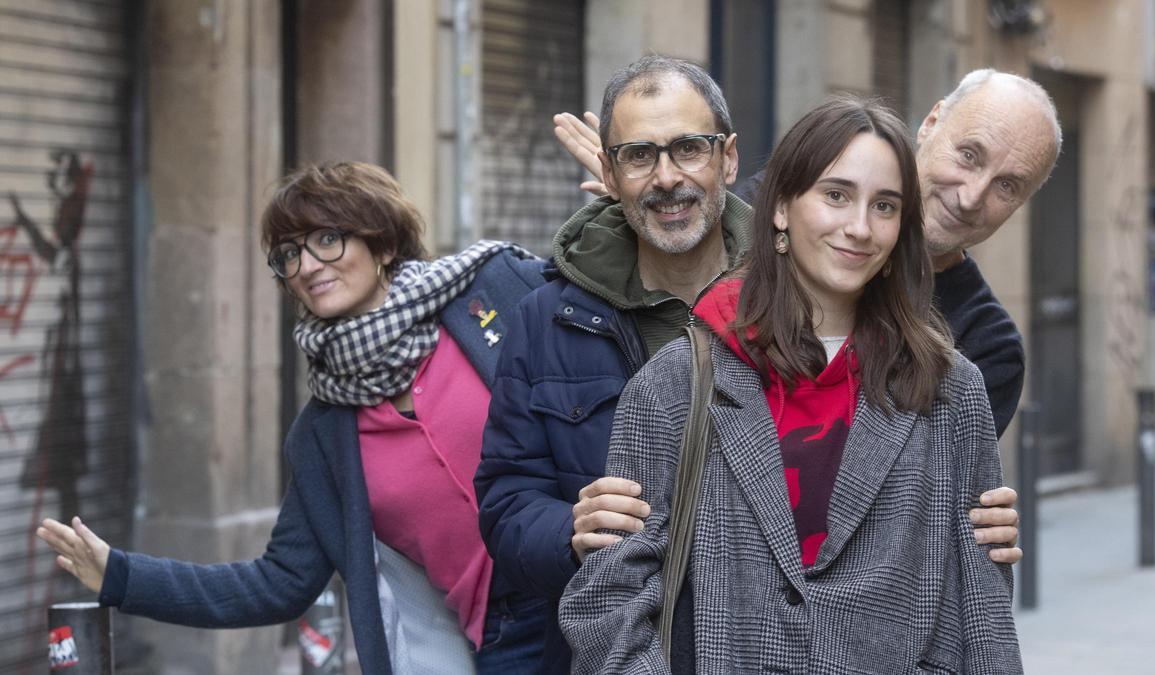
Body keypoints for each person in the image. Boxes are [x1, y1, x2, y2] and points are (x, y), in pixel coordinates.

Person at [475, 56, 1019, 674]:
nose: (858, 226)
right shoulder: (653, 366)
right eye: (638, 156)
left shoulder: (953, 384)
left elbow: (978, 604)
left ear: (729, 161)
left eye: (688, 149)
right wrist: (575, 532)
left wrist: (977, 531)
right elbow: (578, 565)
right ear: (783, 207)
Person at [36, 162, 548, 675]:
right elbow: (278, 583)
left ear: (384, 246)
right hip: (509, 639)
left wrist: (622, 206)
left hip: (602, 579)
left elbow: (613, 330)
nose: (306, 266)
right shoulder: (323, 433)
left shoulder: (493, 295)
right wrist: (121, 577)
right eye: (288, 254)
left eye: (328, 239)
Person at [552, 67, 1061, 442]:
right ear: (930, 123)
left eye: (1007, 185)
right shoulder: (757, 207)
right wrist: (661, 205)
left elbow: (940, 505)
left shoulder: (985, 347)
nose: (971, 194)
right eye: (969, 155)